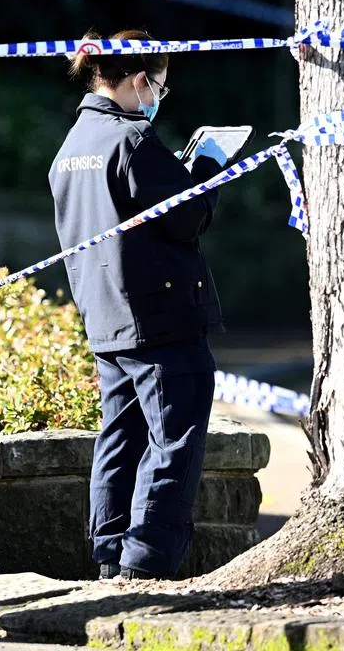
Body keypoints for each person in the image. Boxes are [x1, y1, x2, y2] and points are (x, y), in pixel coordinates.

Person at [48, 29, 229, 581]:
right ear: (136, 80)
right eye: (159, 87)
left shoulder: (73, 144)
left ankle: (109, 556)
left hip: (106, 319)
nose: (157, 99)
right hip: (160, 315)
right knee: (173, 439)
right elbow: (187, 218)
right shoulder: (129, 140)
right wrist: (208, 168)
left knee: (120, 436)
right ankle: (148, 561)